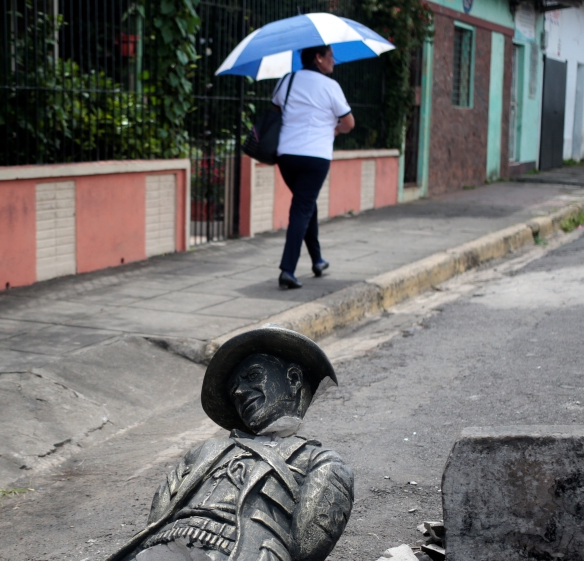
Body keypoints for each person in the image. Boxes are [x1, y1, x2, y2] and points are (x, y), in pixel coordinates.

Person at [106, 325, 354, 561]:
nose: (238, 392)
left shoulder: (320, 461)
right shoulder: (203, 451)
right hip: (165, 545)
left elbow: (306, 547)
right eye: (234, 386)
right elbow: (157, 519)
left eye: (253, 376)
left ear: (293, 378)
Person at [273, 45, 355, 290]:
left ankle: (317, 259)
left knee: (306, 204)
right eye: (330, 56)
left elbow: (276, 109)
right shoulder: (331, 87)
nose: (334, 61)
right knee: (302, 207)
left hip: (286, 155)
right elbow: (349, 122)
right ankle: (287, 269)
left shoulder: (287, 80)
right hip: (315, 157)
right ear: (318, 58)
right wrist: (336, 129)